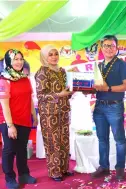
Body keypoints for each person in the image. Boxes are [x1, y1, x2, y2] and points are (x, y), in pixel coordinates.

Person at [90, 35, 126, 181]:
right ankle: (104, 167)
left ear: (116, 48)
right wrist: (86, 89)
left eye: (112, 46)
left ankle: (120, 169)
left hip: (115, 107)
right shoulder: (99, 66)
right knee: (102, 139)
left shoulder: (122, 65)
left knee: (119, 139)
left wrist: (108, 89)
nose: (108, 48)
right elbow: (97, 87)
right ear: (102, 48)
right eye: (106, 46)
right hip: (99, 106)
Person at [35, 45, 73, 182]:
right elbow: (41, 95)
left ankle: (63, 168)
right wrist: (59, 94)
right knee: (53, 142)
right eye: (50, 54)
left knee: (64, 140)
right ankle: (54, 171)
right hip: (49, 114)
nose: (54, 57)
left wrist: (69, 92)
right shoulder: (42, 73)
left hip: (63, 110)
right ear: (44, 57)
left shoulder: (62, 71)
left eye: (56, 54)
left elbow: (65, 91)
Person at [0, 49, 38, 189]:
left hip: (24, 119)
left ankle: (24, 174)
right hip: (8, 120)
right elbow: (4, 105)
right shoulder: (4, 79)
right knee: (9, 150)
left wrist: (33, 115)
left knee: (22, 149)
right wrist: (10, 126)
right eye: (15, 59)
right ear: (9, 61)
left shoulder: (25, 78)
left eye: (21, 59)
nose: (19, 62)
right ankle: (10, 178)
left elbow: (29, 98)